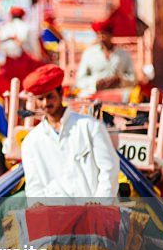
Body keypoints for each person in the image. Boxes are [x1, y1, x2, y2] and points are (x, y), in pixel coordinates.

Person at [19, 64, 120, 198]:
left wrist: (99, 206)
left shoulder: (90, 127)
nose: (45, 103)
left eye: (49, 96)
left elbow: (109, 169)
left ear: (61, 93)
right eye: (40, 99)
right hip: (54, 215)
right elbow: (34, 188)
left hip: (93, 212)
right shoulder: (31, 142)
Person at [75, 20, 137, 96]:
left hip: (119, 97)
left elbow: (134, 79)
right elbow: (80, 80)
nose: (101, 38)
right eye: (98, 35)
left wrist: (120, 79)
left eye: (103, 35)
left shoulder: (123, 54)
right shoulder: (89, 54)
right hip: (93, 96)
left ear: (111, 35)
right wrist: (95, 83)